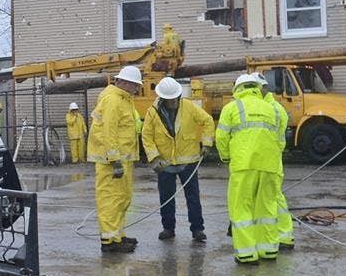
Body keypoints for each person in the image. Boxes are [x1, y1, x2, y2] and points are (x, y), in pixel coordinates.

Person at [216, 73, 284, 265]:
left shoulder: (232, 107)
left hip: (243, 165)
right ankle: (269, 250)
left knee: (241, 208)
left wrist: (226, 157)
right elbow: (280, 139)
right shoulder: (271, 108)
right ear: (255, 87)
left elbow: (221, 137)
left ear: (238, 88)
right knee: (267, 207)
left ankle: (246, 254)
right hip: (270, 165)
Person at [141, 76, 214, 243]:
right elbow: (147, 135)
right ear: (163, 98)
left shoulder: (188, 106)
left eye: (175, 98)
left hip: (188, 161)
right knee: (166, 198)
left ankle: (197, 229)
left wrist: (207, 143)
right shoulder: (153, 112)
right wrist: (154, 158)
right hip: (165, 162)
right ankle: (168, 228)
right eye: (170, 99)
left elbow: (207, 121)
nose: (173, 102)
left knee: (193, 197)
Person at [87, 65, 143, 253]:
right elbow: (108, 131)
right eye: (135, 85)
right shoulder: (113, 99)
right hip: (112, 162)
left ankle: (117, 235)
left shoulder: (123, 99)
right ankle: (109, 242)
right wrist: (114, 159)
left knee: (122, 198)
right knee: (110, 200)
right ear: (125, 83)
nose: (137, 89)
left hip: (122, 159)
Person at [255, 72, 293, 250]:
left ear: (263, 88)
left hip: (269, 158)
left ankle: (282, 236)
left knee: (273, 198)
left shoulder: (271, 109)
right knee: (273, 198)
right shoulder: (272, 107)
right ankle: (282, 236)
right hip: (271, 158)